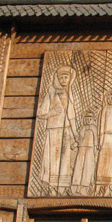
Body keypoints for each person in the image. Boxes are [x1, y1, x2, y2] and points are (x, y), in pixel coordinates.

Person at [36, 65, 78, 195]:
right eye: (62, 77)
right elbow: (41, 113)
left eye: (66, 77)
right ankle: (51, 187)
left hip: (65, 130)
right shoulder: (51, 92)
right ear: (58, 79)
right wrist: (52, 113)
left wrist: (75, 133)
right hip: (53, 129)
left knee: (65, 159)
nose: (64, 80)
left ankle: (62, 188)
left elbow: (71, 115)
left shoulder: (69, 94)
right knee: (52, 159)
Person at [70, 111, 98, 196]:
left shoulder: (94, 128)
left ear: (92, 120)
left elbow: (96, 139)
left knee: (87, 167)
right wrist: (75, 144)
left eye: (90, 119)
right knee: (79, 166)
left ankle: (84, 187)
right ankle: (75, 186)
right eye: (86, 119)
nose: (88, 120)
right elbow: (79, 138)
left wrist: (96, 148)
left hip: (90, 148)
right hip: (81, 148)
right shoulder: (82, 128)